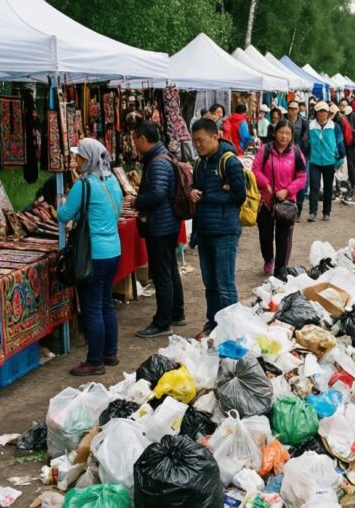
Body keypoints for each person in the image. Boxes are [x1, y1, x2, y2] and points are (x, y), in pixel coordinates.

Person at [58, 138, 124, 376]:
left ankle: (95, 360)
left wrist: (62, 202)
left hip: (93, 254)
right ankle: (110, 352)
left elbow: (64, 215)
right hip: (113, 251)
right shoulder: (113, 181)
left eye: (79, 157)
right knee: (106, 302)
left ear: (89, 159)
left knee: (93, 307)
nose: (76, 161)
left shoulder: (84, 185)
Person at [127, 121, 185, 338]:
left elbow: (158, 194)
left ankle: (163, 322)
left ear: (142, 138)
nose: (134, 144)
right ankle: (176, 313)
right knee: (169, 269)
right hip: (167, 223)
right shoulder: (162, 156)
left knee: (162, 273)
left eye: (134, 139)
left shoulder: (158, 162)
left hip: (161, 225)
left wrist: (137, 201)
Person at [190, 118, 246, 340]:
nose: (197, 145)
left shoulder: (229, 162)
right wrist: (193, 190)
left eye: (201, 140)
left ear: (215, 137)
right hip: (204, 230)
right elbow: (198, 187)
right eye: (194, 141)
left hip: (225, 231)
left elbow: (238, 196)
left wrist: (207, 196)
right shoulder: (200, 163)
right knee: (210, 284)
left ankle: (232, 329)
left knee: (225, 283)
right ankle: (213, 323)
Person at [252, 119, 307, 276]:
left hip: (286, 203)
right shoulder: (265, 149)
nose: (284, 136)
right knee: (265, 235)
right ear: (275, 133)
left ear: (292, 136)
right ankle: (268, 258)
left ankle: (280, 270)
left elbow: (302, 177)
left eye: (287, 133)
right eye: (281, 132)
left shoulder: (296, 153)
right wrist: (265, 183)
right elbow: (255, 169)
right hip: (266, 201)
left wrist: (288, 191)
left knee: (283, 238)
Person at [305, 101, 345, 222]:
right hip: (314, 161)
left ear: (328, 113)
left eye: (325, 111)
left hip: (329, 161)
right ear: (316, 112)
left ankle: (326, 212)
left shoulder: (335, 126)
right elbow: (306, 143)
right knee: (314, 187)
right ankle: (313, 212)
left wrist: (340, 158)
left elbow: (340, 143)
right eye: (320, 111)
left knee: (328, 188)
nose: (322, 113)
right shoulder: (310, 126)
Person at [285, 100, 311, 217]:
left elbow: (306, 140)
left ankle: (298, 209)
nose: (292, 111)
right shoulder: (283, 121)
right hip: (285, 156)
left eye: (295, 108)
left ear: (298, 110)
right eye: (290, 108)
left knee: (301, 184)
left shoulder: (304, 123)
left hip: (300, 156)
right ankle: (287, 208)